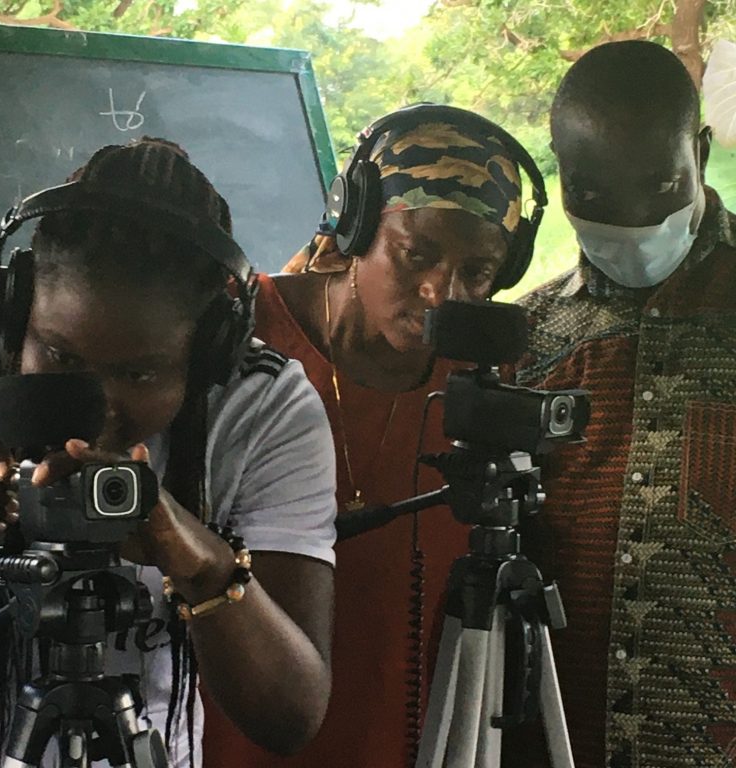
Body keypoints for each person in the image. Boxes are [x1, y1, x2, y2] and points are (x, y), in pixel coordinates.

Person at [0, 138, 338, 767]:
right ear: (19, 309)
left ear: (208, 353)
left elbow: (289, 717)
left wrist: (198, 562)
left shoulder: (264, 404)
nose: (99, 412)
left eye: (138, 375)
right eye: (61, 358)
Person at [202, 104, 546, 768]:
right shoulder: (236, 330)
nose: (441, 291)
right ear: (357, 226)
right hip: (237, 725)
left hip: (407, 726)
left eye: (477, 272)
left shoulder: (484, 385)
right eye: (417, 253)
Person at [506, 40, 736, 768]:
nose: (634, 221)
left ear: (699, 152)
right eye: (596, 196)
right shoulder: (527, 341)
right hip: (562, 742)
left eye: (663, 186)